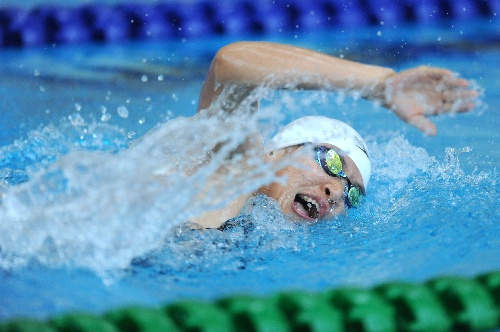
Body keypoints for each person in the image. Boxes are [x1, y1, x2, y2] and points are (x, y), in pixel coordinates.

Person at [189, 41, 478, 229]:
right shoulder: (235, 170)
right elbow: (230, 63)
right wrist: (380, 85)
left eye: (353, 195)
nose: (338, 192)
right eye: (332, 162)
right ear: (280, 151)